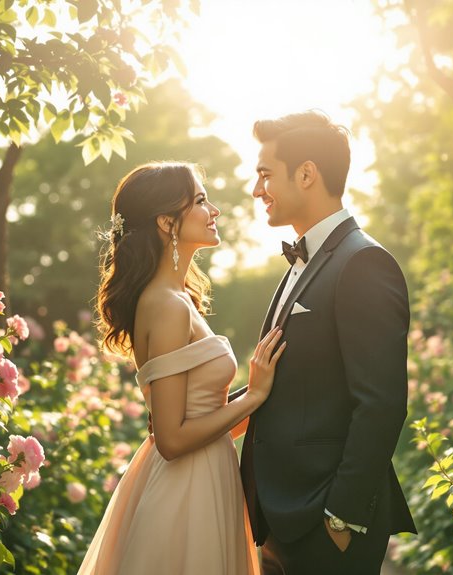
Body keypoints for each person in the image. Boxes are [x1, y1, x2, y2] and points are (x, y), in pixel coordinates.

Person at [78, 162, 284, 575]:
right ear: (167, 221)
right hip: (187, 488)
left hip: (207, 473)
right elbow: (171, 439)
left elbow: (202, 422)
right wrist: (255, 395)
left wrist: (261, 398)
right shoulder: (167, 305)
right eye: (202, 201)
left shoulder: (178, 298)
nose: (215, 211)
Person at [238, 111, 416, 574]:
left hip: (325, 526)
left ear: (307, 173)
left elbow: (381, 402)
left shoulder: (364, 263)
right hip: (278, 520)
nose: (257, 190)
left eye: (264, 174)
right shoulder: (303, 260)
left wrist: (342, 518)